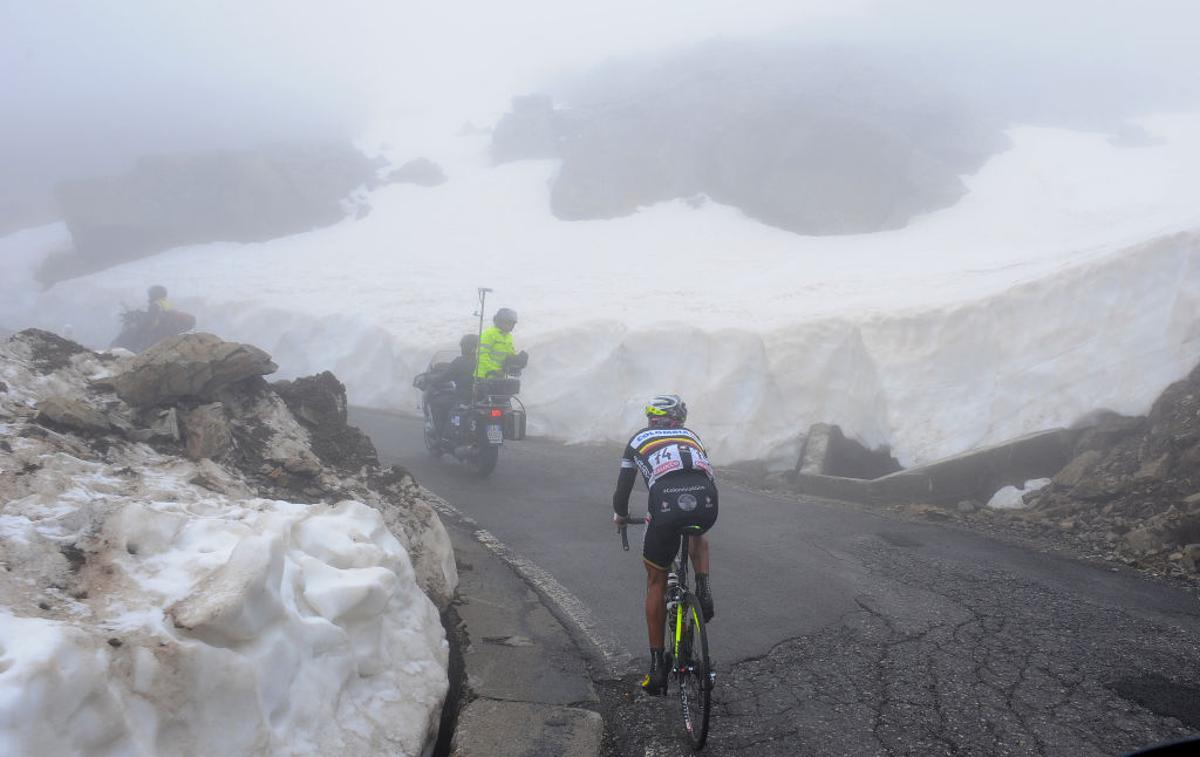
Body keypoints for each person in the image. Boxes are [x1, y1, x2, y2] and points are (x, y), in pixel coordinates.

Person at [611, 394, 718, 695]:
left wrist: (620, 516)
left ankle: (658, 666)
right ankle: (704, 589)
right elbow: (707, 474)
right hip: (706, 501)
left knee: (656, 579)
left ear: (651, 419)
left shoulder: (638, 440)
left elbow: (622, 492)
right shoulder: (692, 436)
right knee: (696, 529)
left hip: (665, 506)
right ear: (679, 419)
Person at [429, 334, 478, 441]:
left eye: (463, 346)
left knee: (438, 403)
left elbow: (445, 376)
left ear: (466, 347)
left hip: (463, 398)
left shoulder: (460, 361)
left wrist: (432, 379)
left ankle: (442, 435)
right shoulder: (485, 362)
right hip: (479, 399)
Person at [475, 307, 520, 379]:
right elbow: (482, 356)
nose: (510, 326)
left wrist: (516, 360)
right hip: (484, 376)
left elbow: (509, 354)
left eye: (512, 324)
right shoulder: (489, 334)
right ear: (499, 322)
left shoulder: (508, 337)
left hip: (499, 376)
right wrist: (494, 370)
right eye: (507, 323)